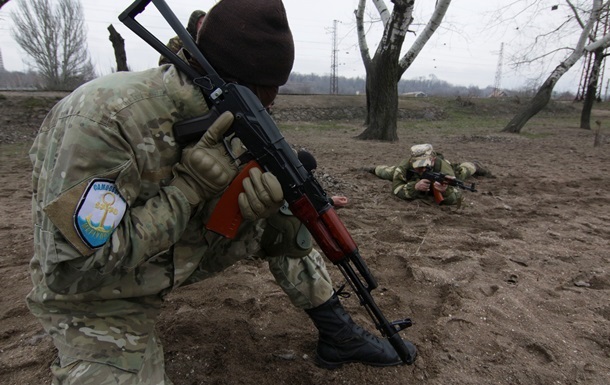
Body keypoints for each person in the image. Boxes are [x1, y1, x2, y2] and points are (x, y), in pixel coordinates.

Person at [27, 0, 414, 384]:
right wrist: (188, 188)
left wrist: (267, 206)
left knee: (290, 212)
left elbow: (247, 206)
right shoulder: (104, 119)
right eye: (268, 94)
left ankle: (339, 334)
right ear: (240, 85)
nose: (272, 103)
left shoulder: (228, 110)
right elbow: (79, 266)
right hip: (97, 295)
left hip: (169, 254)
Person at [365, 143, 491, 206]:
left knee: (461, 172)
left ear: (432, 160)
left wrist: (445, 191)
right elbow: (396, 189)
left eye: (424, 165)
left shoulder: (442, 167)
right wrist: (414, 187)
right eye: (418, 166)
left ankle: (474, 165)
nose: (421, 169)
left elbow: (457, 196)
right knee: (387, 172)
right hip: (411, 178)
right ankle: (371, 168)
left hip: (447, 170)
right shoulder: (405, 166)